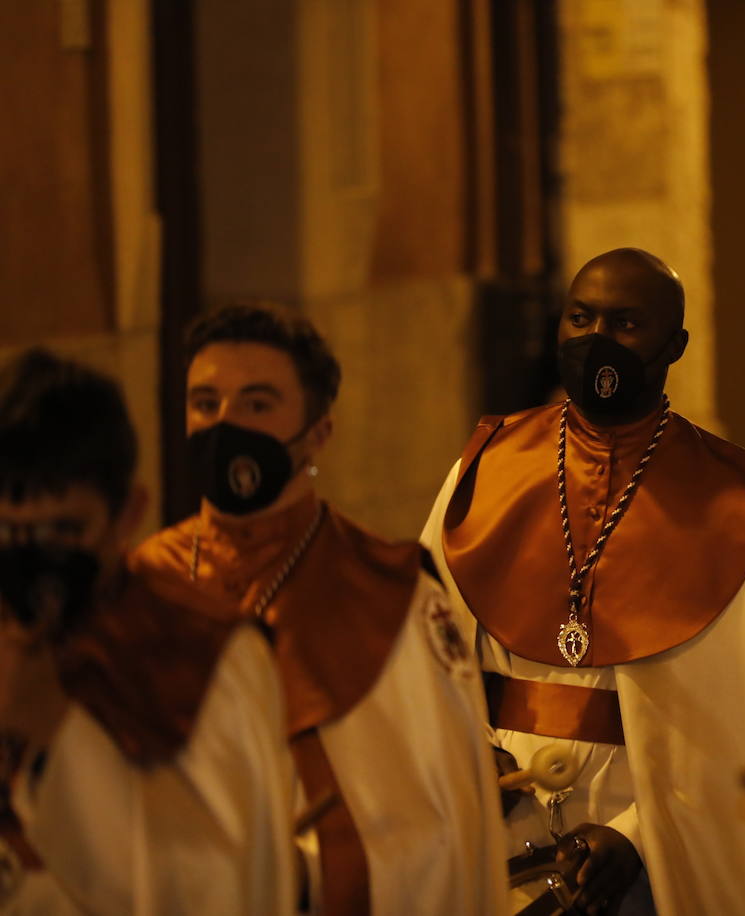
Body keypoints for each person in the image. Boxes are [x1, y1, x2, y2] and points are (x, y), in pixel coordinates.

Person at [420, 248, 745, 916]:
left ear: (674, 344)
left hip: (657, 858)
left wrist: (640, 838)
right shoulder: (481, 475)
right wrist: (462, 754)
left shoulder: (739, 513)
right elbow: (423, 658)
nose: (598, 341)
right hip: (495, 839)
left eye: (626, 324)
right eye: (581, 318)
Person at [131, 304, 506, 914]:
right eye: (205, 403)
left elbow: (443, 830)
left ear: (318, 432)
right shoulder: (142, 586)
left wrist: (300, 870)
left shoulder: (392, 595)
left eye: (257, 404)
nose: (226, 424)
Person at [0, 348, 294, 913]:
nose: (29, 567)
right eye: (9, 535)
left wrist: (52, 733)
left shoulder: (204, 659)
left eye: (62, 531)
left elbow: (222, 891)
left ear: (128, 514)